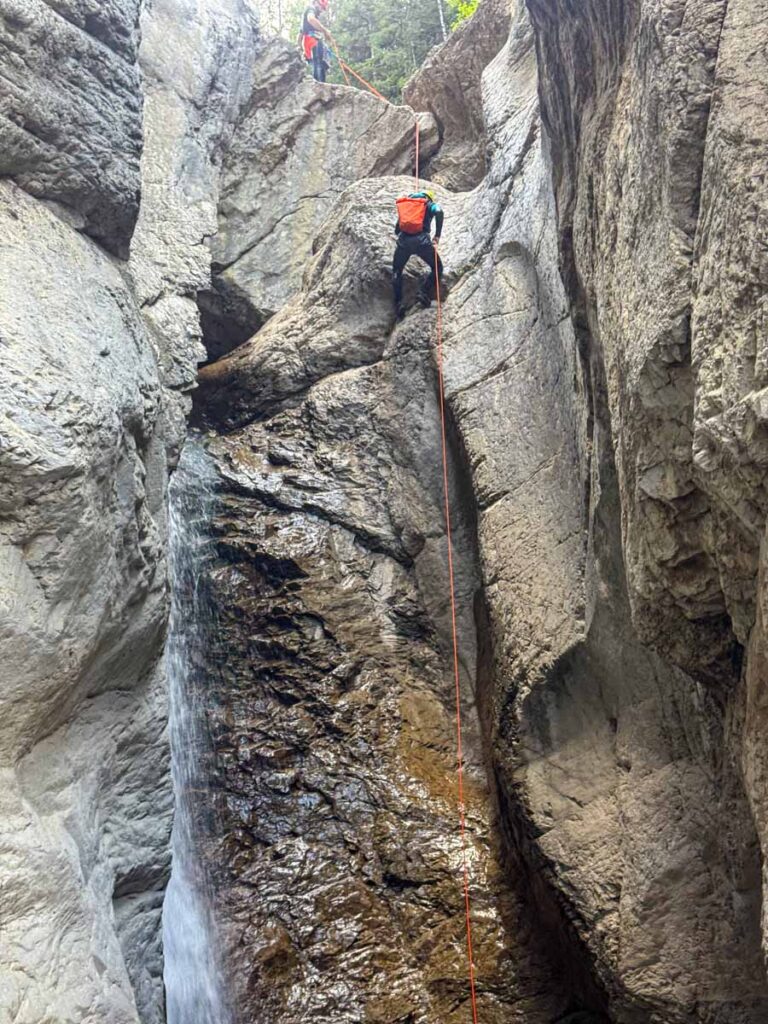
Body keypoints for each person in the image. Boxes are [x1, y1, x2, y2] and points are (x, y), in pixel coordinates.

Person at [392, 190, 444, 321]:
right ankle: (423, 292)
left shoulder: (408, 205)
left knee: (397, 271)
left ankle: (399, 304)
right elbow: (439, 211)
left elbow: (397, 229)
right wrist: (437, 235)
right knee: (438, 267)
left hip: (404, 242)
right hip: (422, 242)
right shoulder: (428, 204)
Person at [299, 0, 333, 84]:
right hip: (313, 41)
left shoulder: (305, 17)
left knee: (315, 64)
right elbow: (311, 19)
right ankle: (320, 86)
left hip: (308, 43)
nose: (321, 10)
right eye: (321, 7)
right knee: (319, 64)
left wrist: (301, 49)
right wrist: (325, 31)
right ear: (316, 2)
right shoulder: (311, 9)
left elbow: (300, 35)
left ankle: (317, 84)